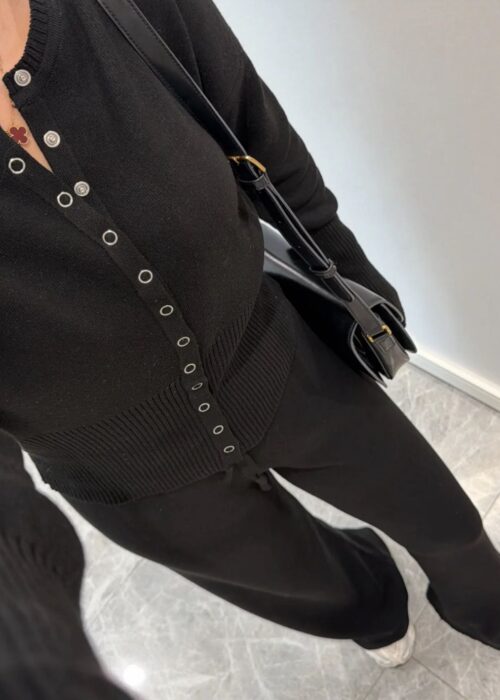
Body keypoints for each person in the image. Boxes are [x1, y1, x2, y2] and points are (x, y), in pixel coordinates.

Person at [1, 0, 500, 687]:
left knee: (444, 518)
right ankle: (374, 607)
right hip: (127, 476)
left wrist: (348, 272)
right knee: (313, 589)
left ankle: (484, 604)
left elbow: (255, 133)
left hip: (277, 353)